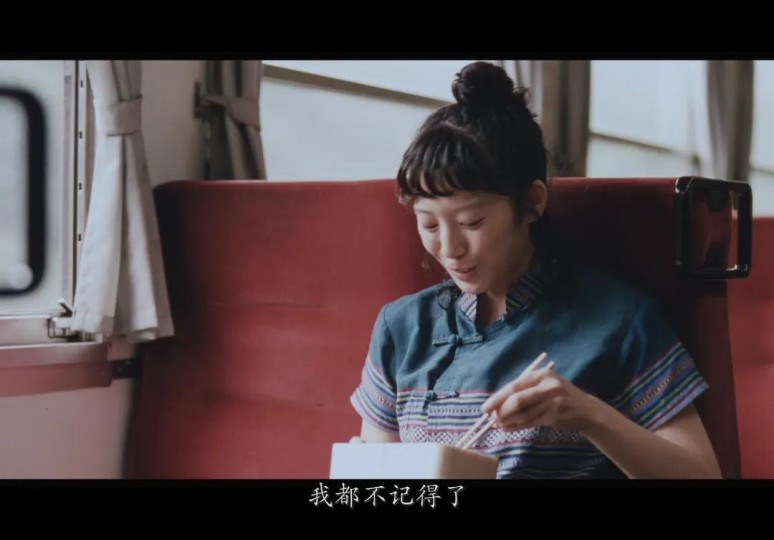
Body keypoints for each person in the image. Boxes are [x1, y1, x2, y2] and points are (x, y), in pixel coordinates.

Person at [349, 61, 721, 479]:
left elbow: (702, 475)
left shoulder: (619, 321)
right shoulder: (402, 329)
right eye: (430, 224)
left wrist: (588, 415)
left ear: (533, 203)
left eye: (472, 222)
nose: (449, 249)